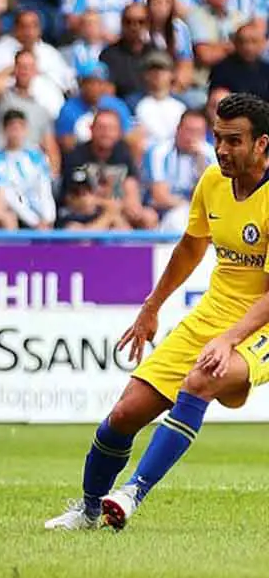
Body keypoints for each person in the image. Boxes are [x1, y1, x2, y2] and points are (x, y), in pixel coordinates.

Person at [44, 94, 269, 532]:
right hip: (215, 312)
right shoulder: (213, 180)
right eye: (218, 139)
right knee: (124, 415)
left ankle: (133, 491)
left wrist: (228, 340)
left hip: (262, 323)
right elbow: (190, 247)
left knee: (200, 380)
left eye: (234, 141)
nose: (222, 150)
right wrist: (151, 307)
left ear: (262, 144)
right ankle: (89, 511)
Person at [60, 109, 158, 230]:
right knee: (75, 229)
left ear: (119, 132)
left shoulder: (123, 153)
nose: (106, 133)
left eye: (111, 129)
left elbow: (131, 188)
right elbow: (83, 202)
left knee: (149, 216)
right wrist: (110, 207)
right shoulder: (76, 156)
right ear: (91, 129)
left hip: (116, 211)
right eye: (101, 128)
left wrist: (130, 206)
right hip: (82, 216)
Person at [145, 108, 215, 233]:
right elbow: (160, 196)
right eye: (189, 131)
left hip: (197, 211)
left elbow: (210, 196)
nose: (192, 137)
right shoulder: (159, 152)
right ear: (178, 129)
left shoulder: (211, 155)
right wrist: (186, 205)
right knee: (178, 220)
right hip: (163, 211)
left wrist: (200, 162)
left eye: (198, 132)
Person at [0, 109, 57, 230]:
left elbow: (44, 189)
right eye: (13, 128)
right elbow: (9, 194)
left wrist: (49, 218)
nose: (17, 133)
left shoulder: (37, 156)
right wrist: (34, 221)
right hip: (17, 215)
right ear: (4, 130)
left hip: (41, 216)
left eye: (21, 128)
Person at [99, 4, 158, 99]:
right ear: (122, 23)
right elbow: (107, 92)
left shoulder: (156, 53)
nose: (134, 27)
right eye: (128, 22)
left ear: (148, 24)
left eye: (141, 22)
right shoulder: (108, 55)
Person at [55, 165, 130, 230]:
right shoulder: (64, 217)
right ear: (67, 197)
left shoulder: (100, 213)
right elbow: (83, 238)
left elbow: (128, 237)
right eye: (76, 192)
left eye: (87, 190)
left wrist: (113, 213)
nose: (83, 197)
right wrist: (107, 216)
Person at [208, 23, 269, 101]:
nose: (248, 47)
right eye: (242, 42)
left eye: (254, 42)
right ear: (235, 43)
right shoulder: (222, 69)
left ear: (263, 43)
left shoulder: (266, 69)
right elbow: (217, 99)